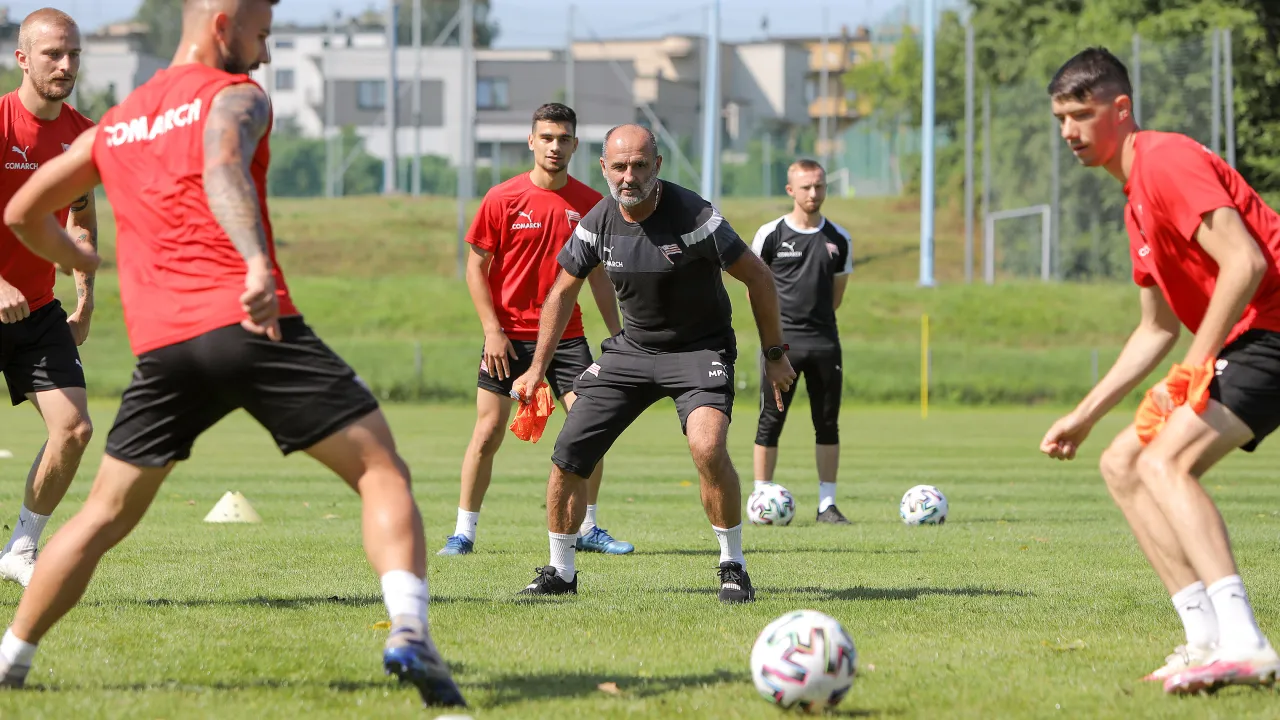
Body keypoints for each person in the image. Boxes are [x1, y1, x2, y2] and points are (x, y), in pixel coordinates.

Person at [0, 0, 465, 707]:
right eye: (262, 34)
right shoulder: (235, 94)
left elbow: (20, 213)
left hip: (164, 351)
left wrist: (78, 260)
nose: (266, 53)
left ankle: (11, 657)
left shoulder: (116, 124)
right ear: (223, 26)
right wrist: (252, 261)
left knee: (101, 516)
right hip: (249, 326)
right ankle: (409, 628)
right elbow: (222, 164)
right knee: (380, 469)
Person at [1040, 47, 1280, 695]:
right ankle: (1205, 641)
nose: (1068, 131)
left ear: (1121, 108)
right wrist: (1084, 416)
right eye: (1060, 118)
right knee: (1123, 463)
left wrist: (1199, 363)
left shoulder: (1166, 160)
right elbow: (1156, 329)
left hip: (1273, 327)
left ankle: (1246, 644)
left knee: (1164, 463)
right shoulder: (1134, 201)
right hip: (1249, 336)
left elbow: (1246, 263)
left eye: (1081, 114)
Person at [510, 123, 796, 603]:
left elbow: (759, 279)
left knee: (708, 448)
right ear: (604, 167)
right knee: (568, 453)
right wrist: (536, 369)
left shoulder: (695, 215)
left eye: (640, 165)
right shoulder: (597, 222)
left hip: (699, 351)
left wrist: (774, 356)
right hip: (632, 352)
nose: (629, 176)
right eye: (620, 166)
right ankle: (561, 572)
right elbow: (561, 292)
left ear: (657, 166)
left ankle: (733, 566)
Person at [443, 102, 631, 557]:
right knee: (488, 432)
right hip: (507, 337)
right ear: (531, 141)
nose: (554, 147)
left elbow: (599, 277)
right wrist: (492, 330)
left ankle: (587, 527)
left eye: (563, 139)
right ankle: (463, 533)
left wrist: (619, 335)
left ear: (575, 145)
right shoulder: (502, 198)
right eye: (546, 137)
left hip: (567, 337)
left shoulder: (592, 204)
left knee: (590, 426)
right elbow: (475, 267)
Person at [0, 8, 97, 588]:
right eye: (53, 54)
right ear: (22, 59)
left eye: (74, 55)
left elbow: (81, 220)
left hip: (37, 310)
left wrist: (85, 300)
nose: (65, 65)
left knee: (75, 429)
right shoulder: (0, 124)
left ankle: (19, 547)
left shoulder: (83, 137)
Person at [748, 159, 853, 524]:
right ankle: (761, 497)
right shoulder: (770, 234)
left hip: (824, 343)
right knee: (770, 419)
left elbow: (836, 296)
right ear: (791, 190)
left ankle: (827, 504)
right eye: (806, 187)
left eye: (819, 186)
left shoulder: (839, 239)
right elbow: (754, 289)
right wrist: (772, 341)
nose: (813, 193)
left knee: (827, 423)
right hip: (782, 346)